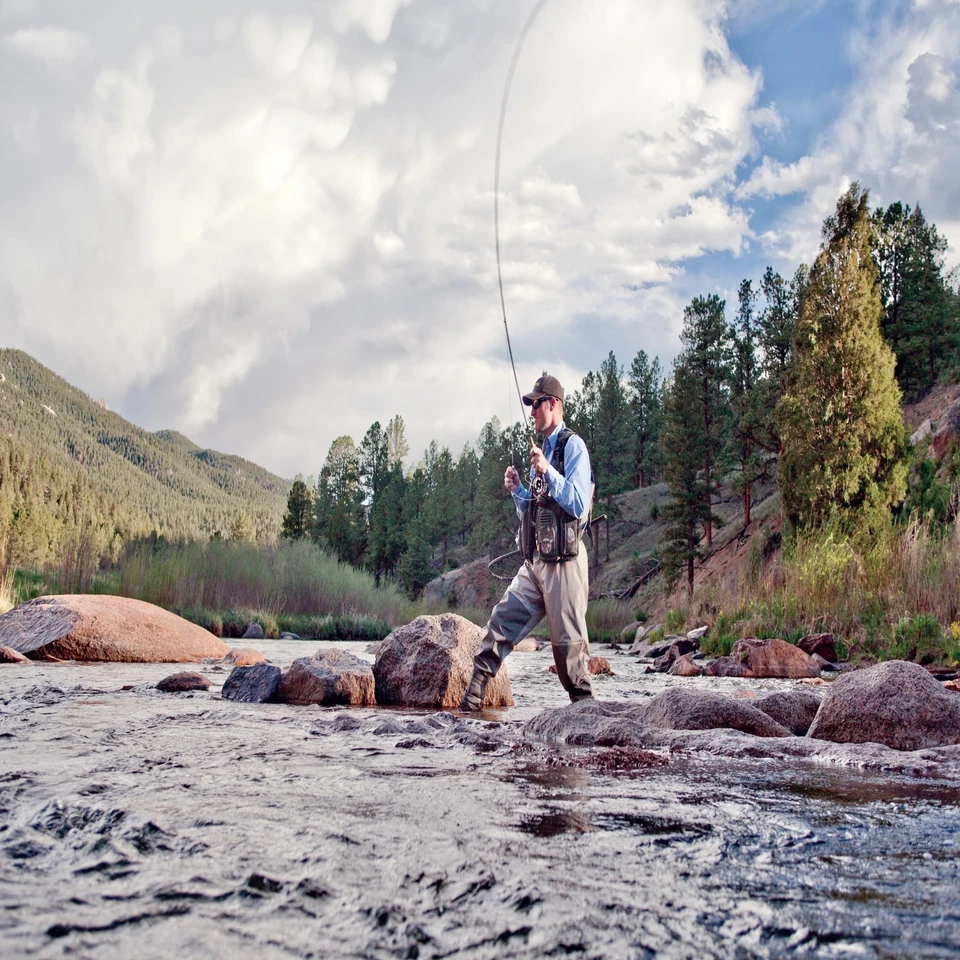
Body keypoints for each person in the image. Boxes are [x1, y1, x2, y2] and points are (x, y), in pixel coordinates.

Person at [460, 374, 594, 710]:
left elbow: (578, 503)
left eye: (537, 403)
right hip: (535, 562)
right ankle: (472, 701)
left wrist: (548, 470)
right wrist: (518, 489)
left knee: (567, 648)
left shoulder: (573, 446)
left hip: (565, 564)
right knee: (500, 622)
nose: (532, 410)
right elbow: (536, 509)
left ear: (554, 404)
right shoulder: (542, 452)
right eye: (531, 405)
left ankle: (585, 711)